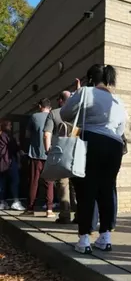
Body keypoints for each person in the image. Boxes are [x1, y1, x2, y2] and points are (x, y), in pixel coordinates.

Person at [60, 64, 126, 254]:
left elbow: (64, 114)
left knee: (85, 189)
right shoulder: (117, 100)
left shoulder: (85, 92)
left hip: (90, 141)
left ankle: (84, 238)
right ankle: (105, 237)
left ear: (90, 79)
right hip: (114, 145)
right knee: (106, 189)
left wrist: (76, 95)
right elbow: (121, 128)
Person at [43, 91, 74, 224]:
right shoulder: (77, 113)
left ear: (61, 100)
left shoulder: (54, 113)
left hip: (61, 153)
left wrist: (48, 150)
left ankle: (65, 215)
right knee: (76, 185)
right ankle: (80, 215)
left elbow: (46, 134)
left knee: (63, 184)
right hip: (76, 152)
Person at [22, 98, 55, 218]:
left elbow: (27, 134)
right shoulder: (54, 116)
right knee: (49, 183)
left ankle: (30, 208)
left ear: (40, 106)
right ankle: (50, 209)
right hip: (50, 154)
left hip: (35, 154)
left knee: (33, 182)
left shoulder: (34, 116)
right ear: (49, 107)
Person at [0, 120, 25, 211]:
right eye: (9, 125)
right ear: (5, 126)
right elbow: (14, 148)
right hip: (9, 162)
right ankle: (15, 201)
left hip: (1, 163)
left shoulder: (1, 136)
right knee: (15, 181)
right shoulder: (8, 137)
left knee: (2, 183)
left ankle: (2, 202)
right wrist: (18, 145)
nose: (11, 127)